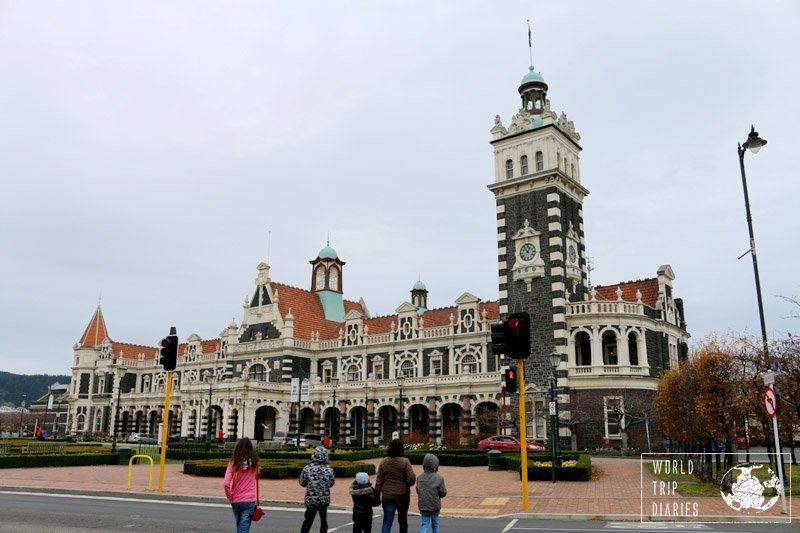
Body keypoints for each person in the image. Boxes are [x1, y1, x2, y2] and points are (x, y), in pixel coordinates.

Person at [375, 439, 416, 533]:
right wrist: (408, 484)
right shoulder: (405, 461)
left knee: (387, 521)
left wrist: (377, 491)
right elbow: (412, 478)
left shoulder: (384, 462)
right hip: (402, 495)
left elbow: (379, 480)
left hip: (388, 495)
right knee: (402, 521)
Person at [223, 437, 260, 533]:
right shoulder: (255, 463)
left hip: (236, 500)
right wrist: (255, 501)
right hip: (250, 500)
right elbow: (255, 482)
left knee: (240, 527)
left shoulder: (233, 463)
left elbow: (226, 483)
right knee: (243, 528)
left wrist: (231, 498)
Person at [299, 446, 336, 533]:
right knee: (323, 521)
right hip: (324, 499)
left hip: (311, 500)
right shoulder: (329, 469)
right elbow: (331, 483)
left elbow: (302, 483)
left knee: (308, 521)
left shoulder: (307, 468)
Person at [415, 454, 447, 533]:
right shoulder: (439, 478)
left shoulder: (419, 478)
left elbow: (417, 490)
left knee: (424, 525)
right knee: (435, 525)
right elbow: (443, 493)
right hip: (435, 506)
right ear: (436, 465)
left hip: (423, 506)